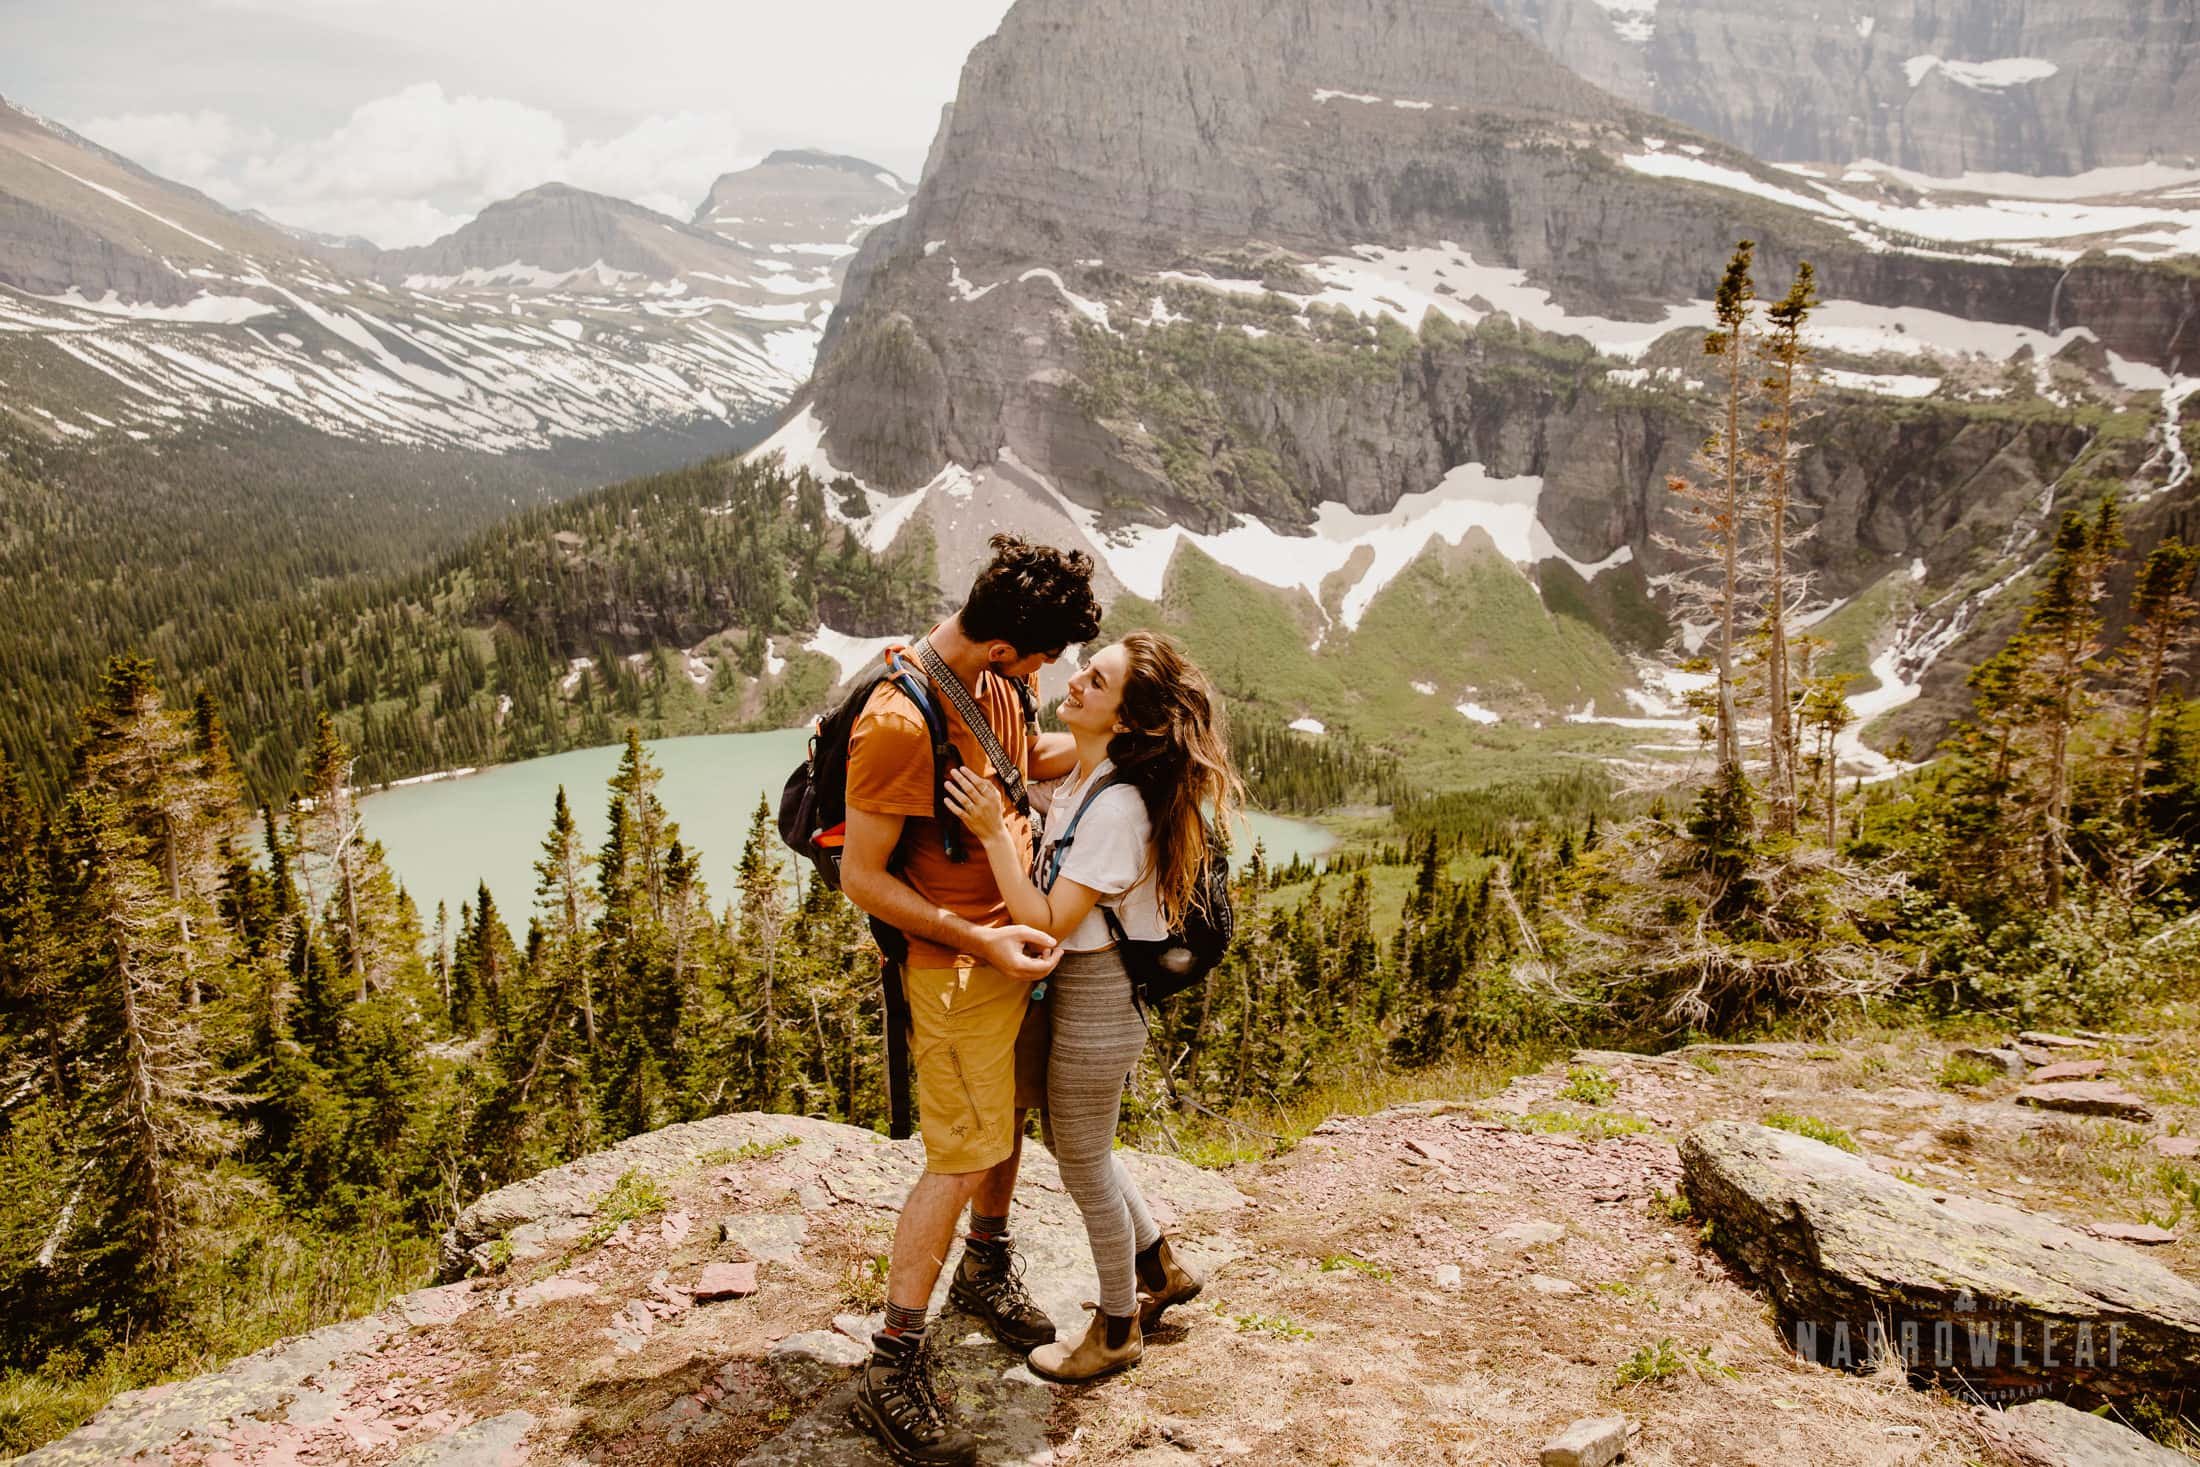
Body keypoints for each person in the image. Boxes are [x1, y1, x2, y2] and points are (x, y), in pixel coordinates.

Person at [841, 534, 1102, 1467]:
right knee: (958, 1153)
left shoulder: (991, 681)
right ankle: (893, 1357)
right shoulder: (897, 724)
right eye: (1040, 659)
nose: (1044, 674)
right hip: (955, 969)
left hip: (1014, 946)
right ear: (1003, 647)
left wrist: (1127, 741)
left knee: (1009, 1124)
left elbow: (1026, 756)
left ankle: (984, 1267)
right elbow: (862, 877)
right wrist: (980, 938)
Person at [943, 630, 1239, 1382]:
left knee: (1082, 1160)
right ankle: (1160, 1268)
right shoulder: (1090, 775)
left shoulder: (1116, 811)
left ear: (1129, 722)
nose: (1074, 682)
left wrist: (992, 837)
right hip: (1089, 990)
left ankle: (1115, 1328)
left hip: (1101, 994)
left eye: (1096, 683)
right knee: (1087, 1148)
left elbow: (1045, 920)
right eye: (1085, 669)